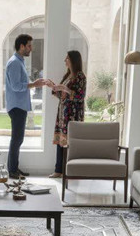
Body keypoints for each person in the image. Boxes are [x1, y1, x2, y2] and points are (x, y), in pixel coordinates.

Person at [5, 34, 48, 178]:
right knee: (17, 139)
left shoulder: (19, 61)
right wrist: (34, 84)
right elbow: (16, 86)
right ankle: (12, 171)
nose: (31, 48)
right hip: (16, 106)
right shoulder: (14, 63)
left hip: (20, 106)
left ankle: (14, 168)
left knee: (18, 139)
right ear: (21, 46)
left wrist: (33, 84)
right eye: (29, 45)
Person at [47, 50, 86, 178]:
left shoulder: (80, 76)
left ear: (73, 61)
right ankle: (58, 170)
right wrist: (53, 87)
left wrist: (66, 89)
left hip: (73, 115)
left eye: (67, 58)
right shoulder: (68, 75)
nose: (65, 60)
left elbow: (80, 96)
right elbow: (62, 95)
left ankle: (70, 171)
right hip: (63, 114)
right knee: (61, 141)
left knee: (71, 144)